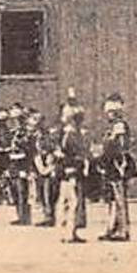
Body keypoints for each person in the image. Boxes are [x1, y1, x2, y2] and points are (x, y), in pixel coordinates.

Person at [56, 104, 91, 243]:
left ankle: (69, 232)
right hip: (71, 171)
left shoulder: (71, 133)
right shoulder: (69, 135)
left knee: (69, 201)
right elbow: (65, 154)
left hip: (72, 171)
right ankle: (69, 232)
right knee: (72, 202)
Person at [99, 119, 137, 241]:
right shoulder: (111, 141)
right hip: (111, 170)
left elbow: (120, 154)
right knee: (113, 201)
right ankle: (112, 228)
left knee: (119, 201)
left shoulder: (121, 151)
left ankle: (122, 230)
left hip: (117, 171)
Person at [5, 108, 33, 226]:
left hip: (22, 164)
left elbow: (30, 152)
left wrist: (26, 169)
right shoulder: (11, 133)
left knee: (22, 192)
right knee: (14, 191)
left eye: (18, 120)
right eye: (13, 120)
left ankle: (25, 217)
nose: (15, 122)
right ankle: (19, 215)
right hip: (13, 164)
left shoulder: (26, 133)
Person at [30, 112, 58, 226]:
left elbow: (53, 149)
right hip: (38, 165)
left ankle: (49, 216)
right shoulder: (33, 136)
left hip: (47, 165)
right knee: (40, 192)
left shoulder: (48, 136)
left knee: (48, 192)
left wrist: (50, 164)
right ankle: (45, 215)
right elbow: (32, 151)